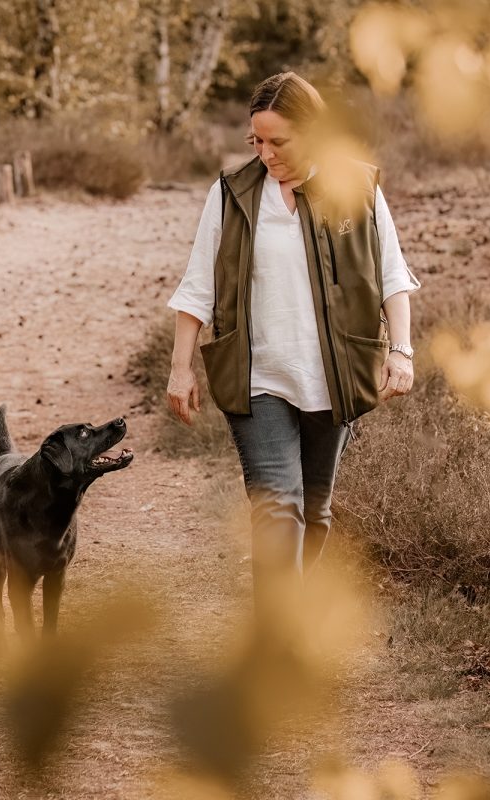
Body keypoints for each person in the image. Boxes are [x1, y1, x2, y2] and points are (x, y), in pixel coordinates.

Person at [165, 71, 421, 616]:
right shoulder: (232, 194)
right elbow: (198, 285)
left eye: (277, 141)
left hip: (334, 374)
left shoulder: (358, 187)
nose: (265, 152)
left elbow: (392, 275)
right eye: (255, 140)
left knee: (315, 511)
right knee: (278, 509)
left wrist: (401, 351)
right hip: (258, 375)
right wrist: (180, 368)